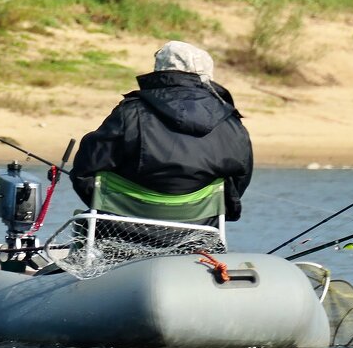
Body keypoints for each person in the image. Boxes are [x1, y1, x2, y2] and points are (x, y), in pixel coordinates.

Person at [71, 41, 253, 223]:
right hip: (201, 230)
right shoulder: (231, 122)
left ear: (160, 70)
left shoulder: (130, 112)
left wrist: (109, 206)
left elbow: (83, 171)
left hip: (124, 229)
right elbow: (237, 185)